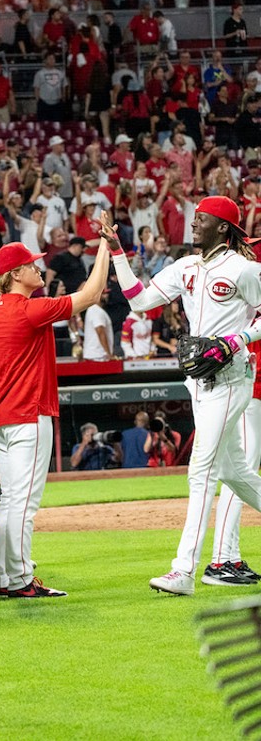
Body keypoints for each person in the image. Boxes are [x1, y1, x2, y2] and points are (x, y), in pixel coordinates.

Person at [101, 198, 261, 595]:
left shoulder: (245, 269)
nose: (194, 224)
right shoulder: (185, 267)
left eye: (202, 219)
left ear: (223, 227)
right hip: (198, 380)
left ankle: (184, 571)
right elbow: (139, 300)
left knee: (201, 470)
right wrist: (118, 252)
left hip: (230, 377)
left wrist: (239, 338)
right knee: (235, 473)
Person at [0, 237, 111, 601]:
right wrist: (107, 247)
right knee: (24, 503)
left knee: (10, 500)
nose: (38, 269)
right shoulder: (28, 309)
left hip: (0, 415)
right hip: (29, 414)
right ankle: (21, 579)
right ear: (15, 274)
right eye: (31, 265)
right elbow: (92, 294)